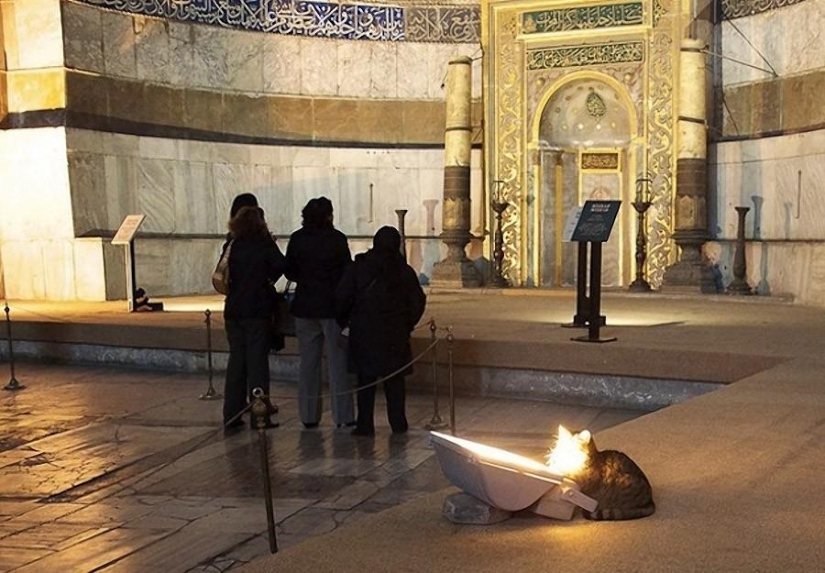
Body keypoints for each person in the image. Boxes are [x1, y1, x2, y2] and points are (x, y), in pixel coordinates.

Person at [335, 226, 426, 437]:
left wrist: (347, 323)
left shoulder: (359, 267)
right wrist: (407, 324)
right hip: (394, 333)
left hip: (364, 332)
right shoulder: (403, 271)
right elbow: (417, 301)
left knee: (365, 381)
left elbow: (341, 298)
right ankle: (398, 424)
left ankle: (365, 425)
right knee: (395, 382)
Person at [285, 197, 354, 429]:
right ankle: (343, 417)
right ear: (328, 216)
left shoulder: (297, 238)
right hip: (332, 307)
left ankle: (308, 415)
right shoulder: (336, 239)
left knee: (308, 364)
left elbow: (290, 271)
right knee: (338, 363)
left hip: (305, 306)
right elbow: (347, 272)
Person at [222, 205, 286, 431]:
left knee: (236, 362)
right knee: (257, 364)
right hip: (256, 311)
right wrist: (267, 279)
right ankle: (260, 417)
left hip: (233, 310)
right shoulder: (263, 244)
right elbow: (282, 266)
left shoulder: (232, 244)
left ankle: (231, 415)